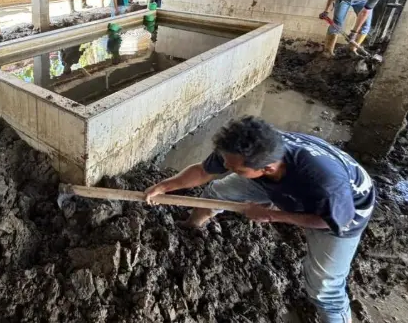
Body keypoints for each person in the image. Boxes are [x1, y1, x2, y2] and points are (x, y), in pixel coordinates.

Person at [144, 117, 375, 323]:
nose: (225, 167)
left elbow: (331, 221)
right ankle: (192, 226)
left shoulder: (324, 182)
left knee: (325, 289)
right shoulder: (242, 149)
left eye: (232, 167)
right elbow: (204, 172)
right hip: (283, 184)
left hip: (345, 211)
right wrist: (165, 187)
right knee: (219, 190)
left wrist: (273, 215)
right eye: (225, 161)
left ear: (266, 168)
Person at [319, 0, 385, 57]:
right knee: (337, 23)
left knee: (366, 25)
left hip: (363, 1)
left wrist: (354, 32)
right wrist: (326, 10)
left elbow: (365, 12)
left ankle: (352, 49)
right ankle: (328, 51)